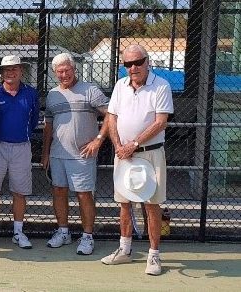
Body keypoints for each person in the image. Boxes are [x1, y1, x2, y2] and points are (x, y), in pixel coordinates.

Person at [101, 44, 173, 276]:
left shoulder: (161, 86)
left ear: (147, 61)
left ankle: (153, 256)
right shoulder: (120, 86)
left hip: (150, 153)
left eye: (137, 62)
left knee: (152, 205)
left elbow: (160, 121)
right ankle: (124, 250)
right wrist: (119, 147)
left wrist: (134, 144)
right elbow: (112, 117)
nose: (133, 68)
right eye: (127, 64)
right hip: (123, 154)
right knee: (124, 203)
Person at [42, 53, 109, 255]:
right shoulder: (53, 95)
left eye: (67, 70)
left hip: (82, 156)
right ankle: (63, 232)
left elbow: (111, 115)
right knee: (59, 192)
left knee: (84, 195)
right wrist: (45, 153)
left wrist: (98, 140)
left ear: (74, 69)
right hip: (57, 154)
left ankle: (87, 236)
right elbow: (48, 126)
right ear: (55, 74)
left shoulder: (90, 90)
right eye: (60, 72)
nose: (64, 75)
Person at [0, 55, 40, 249]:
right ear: (1, 73)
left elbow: (32, 122)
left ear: (21, 71)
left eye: (14, 69)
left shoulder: (31, 94)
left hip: (22, 148)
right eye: (6, 69)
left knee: (19, 191)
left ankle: (18, 232)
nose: (10, 72)